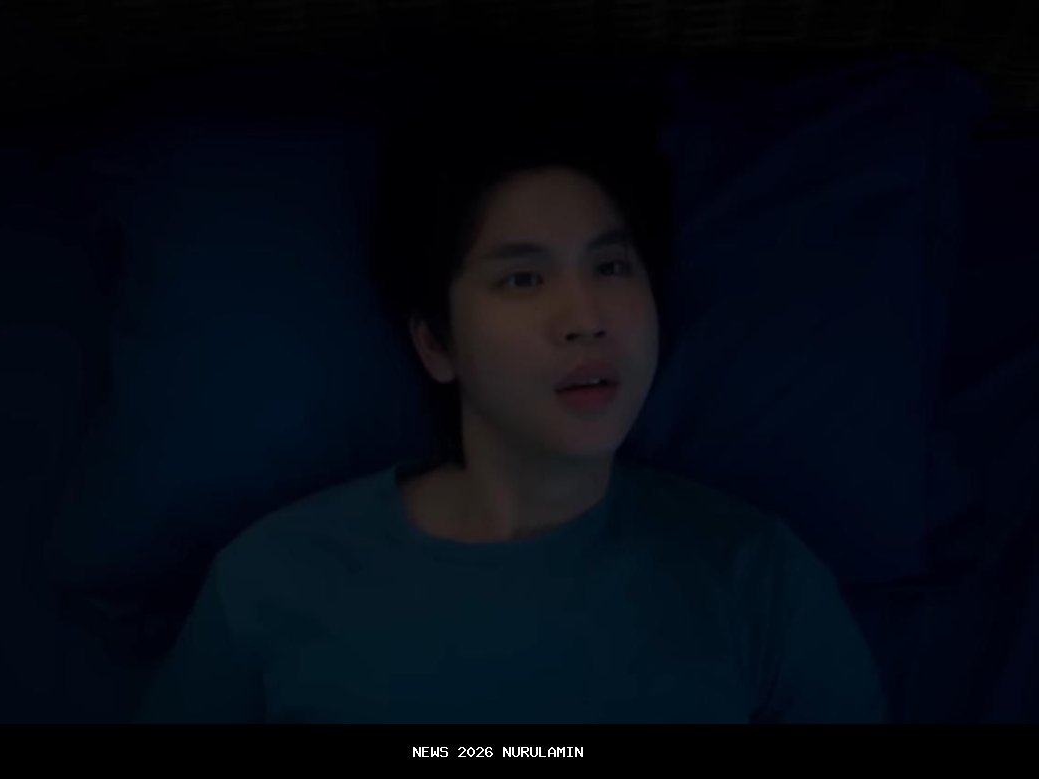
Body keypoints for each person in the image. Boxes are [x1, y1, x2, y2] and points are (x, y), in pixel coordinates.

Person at [132, 76, 886, 723]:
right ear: (437, 344)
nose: (586, 317)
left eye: (611, 266)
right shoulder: (274, 580)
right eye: (523, 278)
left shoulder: (757, 577)